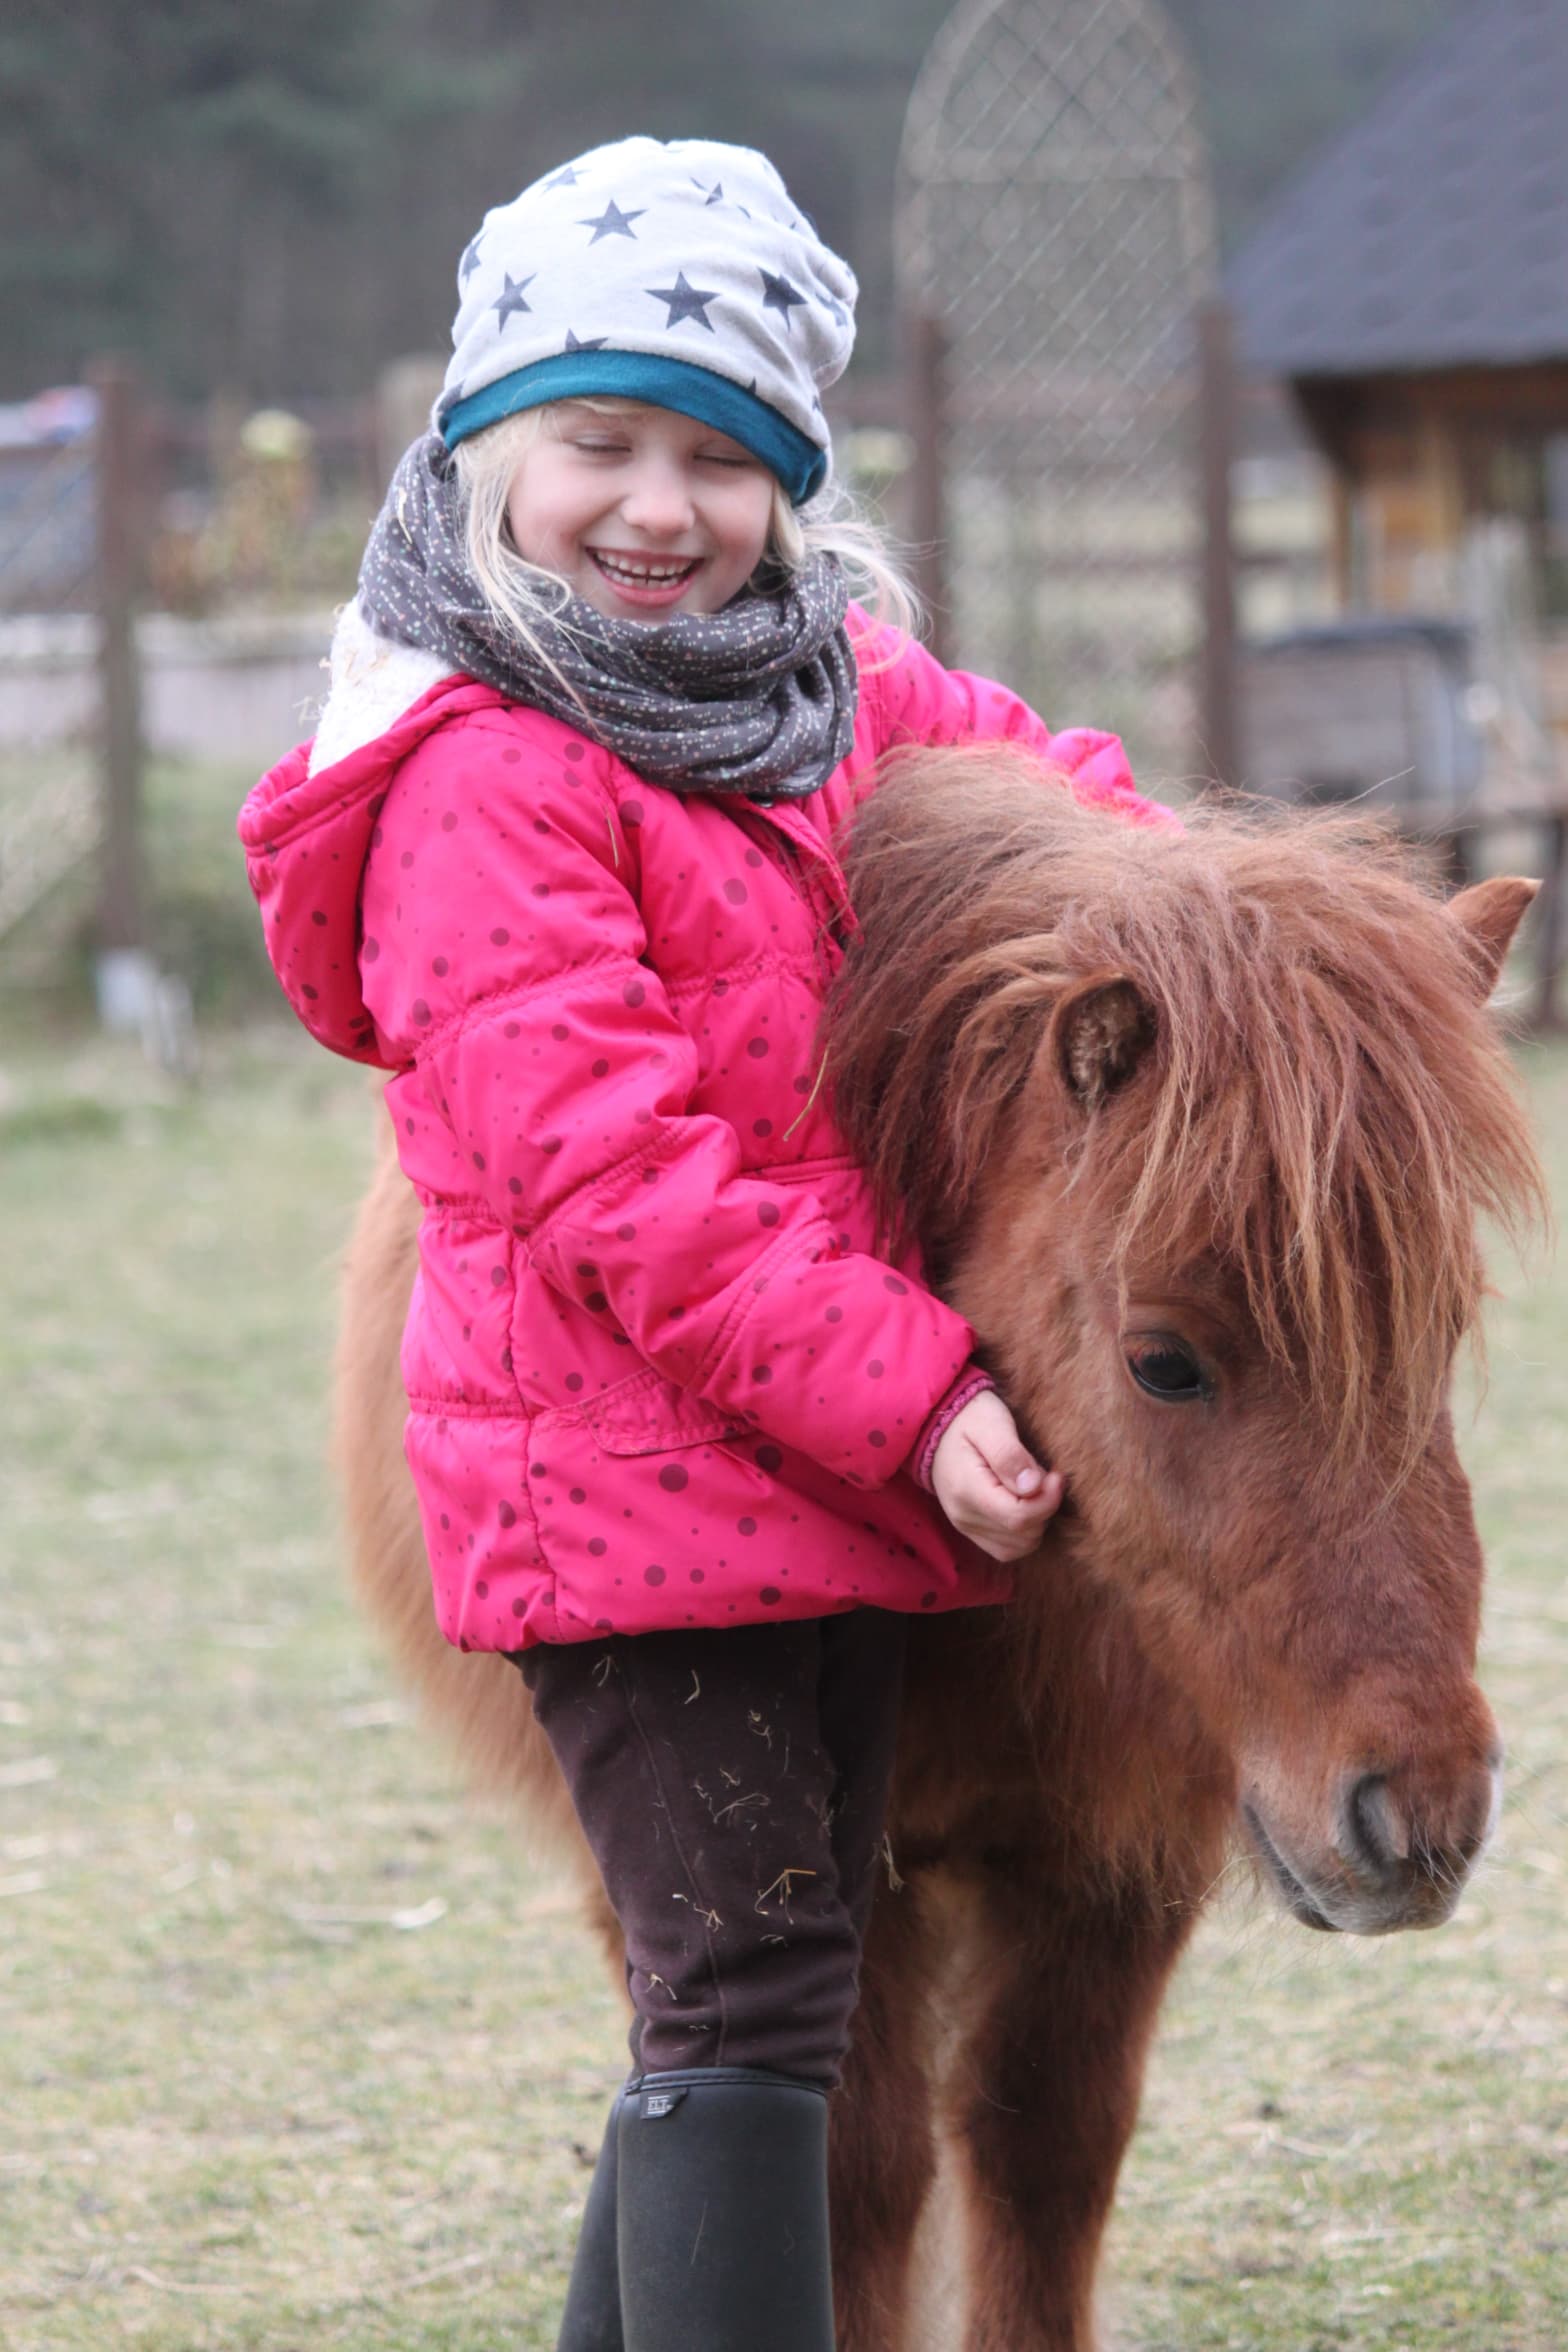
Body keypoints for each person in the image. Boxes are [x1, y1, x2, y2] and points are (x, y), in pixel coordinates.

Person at [239, 135, 1167, 2352]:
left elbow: (1058, 790)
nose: (658, 507)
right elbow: (621, 1188)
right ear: (480, 454)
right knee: (751, 2012)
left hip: (786, 1500)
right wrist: (919, 1392)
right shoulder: (483, 770)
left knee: (732, 1986)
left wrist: (1216, 942)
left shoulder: (817, 685)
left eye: (718, 458)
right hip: (624, 1504)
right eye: (597, 443)